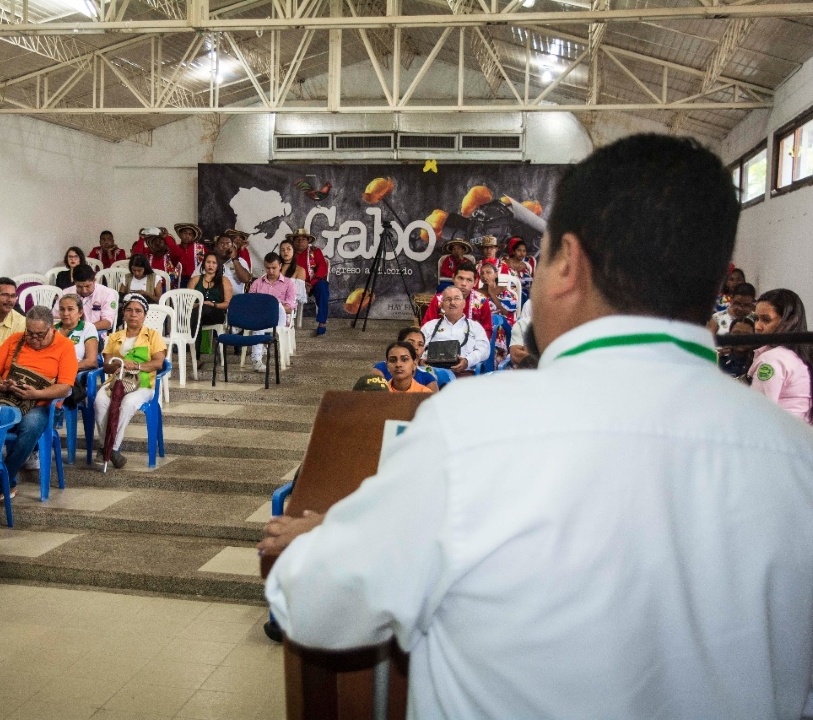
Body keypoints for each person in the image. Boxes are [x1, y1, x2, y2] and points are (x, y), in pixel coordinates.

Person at [266, 134, 813, 718]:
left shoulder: (474, 429)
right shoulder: (797, 458)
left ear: (566, 265)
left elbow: (319, 608)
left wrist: (321, 540)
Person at [0, 306, 76, 502]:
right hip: (10, 399)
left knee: (29, 426)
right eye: (30, 333)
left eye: (40, 335)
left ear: (51, 329)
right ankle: (5, 481)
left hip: (43, 405)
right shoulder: (15, 340)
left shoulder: (65, 346)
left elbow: (65, 387)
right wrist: (2, 384)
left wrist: (37, 393)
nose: (34, 339)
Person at [94, 295, 166, 470]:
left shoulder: (153, 336)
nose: (133, 314)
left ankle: (111, 448)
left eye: (138, 311)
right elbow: (106, 365)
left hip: (143, 384)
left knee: (127, 403)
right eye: (129, 310)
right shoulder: (114, 337)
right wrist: (117, 365)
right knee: (99, 401)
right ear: (124, 314)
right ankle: (109, 448)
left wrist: (137, 366)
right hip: (116, 381)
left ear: (145, 315)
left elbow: (158, 363)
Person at [748, 288, 813, 424]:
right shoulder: (799, 356)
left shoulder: (773, 360)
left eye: (766, 320)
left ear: (789, 321)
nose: (757, 327)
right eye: (756, 319)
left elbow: (758, 415)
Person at [420, 287, 490, 374]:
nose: (452, 303)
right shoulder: (429, 326)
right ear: (442, 305)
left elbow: (484, 350)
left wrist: (467, 361)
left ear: (464, 303)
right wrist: (421, 360)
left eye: (457, 299)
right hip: (431, 373)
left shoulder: (475, 327)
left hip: (464, 373)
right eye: (448, 299)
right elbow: (417, 346)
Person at [247, 253, 296, 373]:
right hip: (261, 317)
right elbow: (249, 303)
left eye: (274, 268)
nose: (271, 271)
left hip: (281, 317)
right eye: (268, 268)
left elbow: (290, 307)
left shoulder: (289, 284)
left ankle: (259, 353)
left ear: (280, 266)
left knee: (273, 308)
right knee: (259, 321)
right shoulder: (257, 283)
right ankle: (257, 359)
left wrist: (274, 306)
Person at [420, 261, 493, 338]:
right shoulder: (439, 299)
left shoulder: (482, 301)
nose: (464, 284)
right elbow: (426, 326)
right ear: (453, 278)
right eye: (460, 278)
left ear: (475, 282)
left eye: (469, 280)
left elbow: (487, 331)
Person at [187, 253, 233, 368]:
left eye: (214, 263)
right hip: (197, 313)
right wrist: (197, 304)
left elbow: (227, 304)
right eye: (208, 262)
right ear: (203, 264)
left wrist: (212, 304)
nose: (210, 265)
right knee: (197, 319)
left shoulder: (224, 280)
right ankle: (195, 359)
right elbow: (187, 300)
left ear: (218, 265)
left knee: (201, 311)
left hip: (216, 313)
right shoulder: (195, 279)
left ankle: (181, 329)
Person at [55, 264, 117, 343]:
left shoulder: (107, 294)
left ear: (94, 280)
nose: (84, 290)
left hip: (95, 334)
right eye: (80, 286)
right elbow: (56, 318)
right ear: (74, 282)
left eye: (88, 286)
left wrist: (82, 329)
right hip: (68, 334)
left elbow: (107, 323)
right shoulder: (65, 293)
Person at [289, 228, 329, 336]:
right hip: (294, 283)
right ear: (293, 241)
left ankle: (322, 323)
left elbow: (322, 268)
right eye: (297, 239)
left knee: (323, 287)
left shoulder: (315, 251)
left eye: (303, 239)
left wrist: (311, 283)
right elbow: (285, 270)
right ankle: (287, 322)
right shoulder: (289, 252)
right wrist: (300, 284)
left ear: (308, 241)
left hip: (313, 283)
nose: (300, 241)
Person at [372, 327, 439, 392]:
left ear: (414, 364)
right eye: (410, 343)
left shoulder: (428, 378)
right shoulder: (381, 369)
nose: (416, 348)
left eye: (420, 344)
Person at [215, 233, 252, 300]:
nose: (225, 246)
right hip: (213, 299)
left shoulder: (240, 261)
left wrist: (234, 259)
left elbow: (246, 279)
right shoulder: (210, 261)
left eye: (228, 244)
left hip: (234, 300)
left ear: (232, 246)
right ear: (216, 247)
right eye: (221, 244)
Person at [499, 237, 536, 302]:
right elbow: (501, 285)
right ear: (513, 251)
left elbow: (532, 283)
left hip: (525, 299)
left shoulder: (528, 266)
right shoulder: (503, 264)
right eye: (519, 250)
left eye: (524, 251)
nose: (522, 253)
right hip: (509, 298)